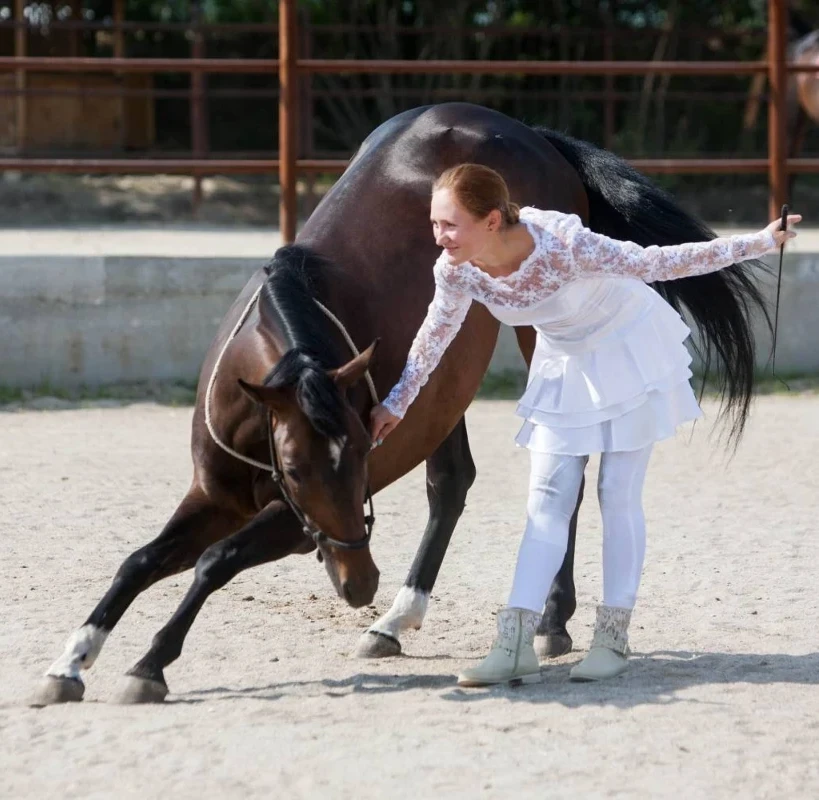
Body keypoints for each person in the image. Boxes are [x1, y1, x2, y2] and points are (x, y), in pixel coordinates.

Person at [369, 163, 799, 687]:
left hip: (626, 348)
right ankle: (514, 644)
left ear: (491, 220)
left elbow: (655, 262)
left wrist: (757, 243)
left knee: (616, 492)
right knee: (546, 497)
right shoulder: (456, 270)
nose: (439, 236)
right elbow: (433, 337)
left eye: (450, 224)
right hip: (564, 359)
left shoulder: (563, 244)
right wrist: (395, 403)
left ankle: (612, 639)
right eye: (435, 223)